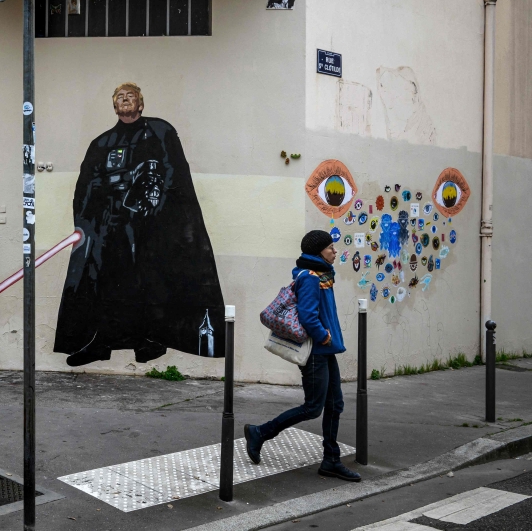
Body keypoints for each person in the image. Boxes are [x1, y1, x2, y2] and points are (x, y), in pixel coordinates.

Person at [53, 82, 225, 366]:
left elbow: (173, 172)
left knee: (148, 281)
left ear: (140, 104)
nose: (124, 99)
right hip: (111, 227)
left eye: (130, 96)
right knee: (106, 282)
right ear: (114, 105)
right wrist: (89, 224)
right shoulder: (102, 142)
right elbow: (87, 184)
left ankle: (149, 341)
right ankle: (102, 341)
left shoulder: (160, 131)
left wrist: (155, 205)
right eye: (119, 96)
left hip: (150, 226)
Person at [244, 229, 362, 482]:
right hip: (316, 352)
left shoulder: (322, 275)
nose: (335, 251)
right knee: (313, 408)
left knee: (335, 405)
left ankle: (331, 460)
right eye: (331, 247)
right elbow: (308, 315)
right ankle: (260, 433)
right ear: (319, 251)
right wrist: (324, 336)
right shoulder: (310, 277)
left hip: (326, 351)